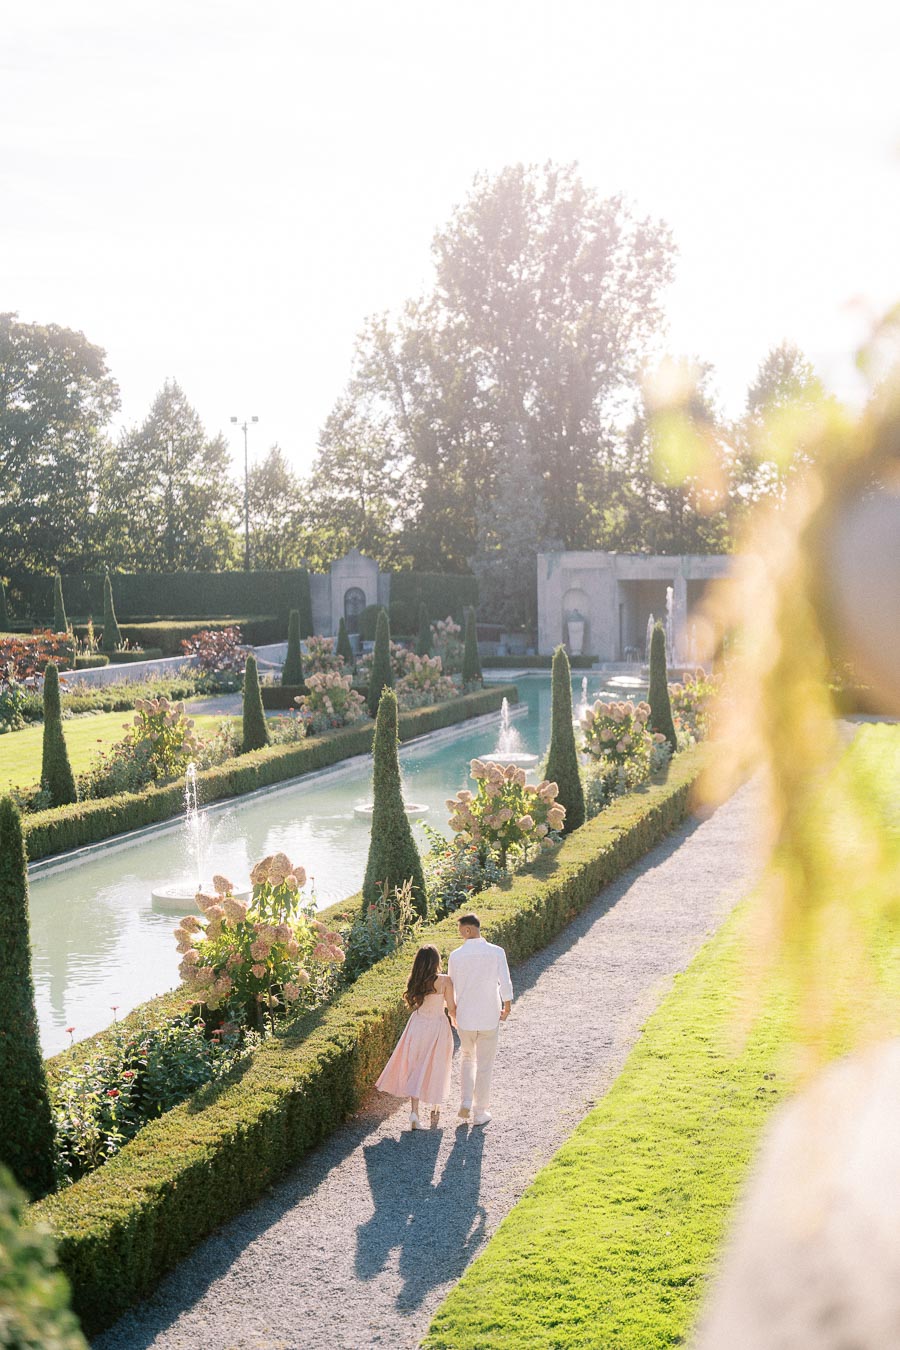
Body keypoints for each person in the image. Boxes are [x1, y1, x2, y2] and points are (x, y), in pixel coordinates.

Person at [375, 943, 456, 1130]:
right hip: (437, 1026)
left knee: (416, 1065)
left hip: (417, 1025)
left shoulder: (415, 981)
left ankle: (414, 1112)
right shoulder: (445, 981)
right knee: (437, 1063)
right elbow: (451, 1008)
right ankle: (436, 1103)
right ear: (436, 961)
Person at [447, 912, 513, 1127]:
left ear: (468, 930)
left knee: (467, 1059)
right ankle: (480, 1111)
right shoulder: (496, 952)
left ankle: (466, 1100)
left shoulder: (456, 956)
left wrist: (453, 1012)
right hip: (488, 1015)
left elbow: (451, 988)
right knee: (485, 1065)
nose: (460, 935)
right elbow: (505, 981)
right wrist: (507, 1006)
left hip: (465, 1017)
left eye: (461, 931)